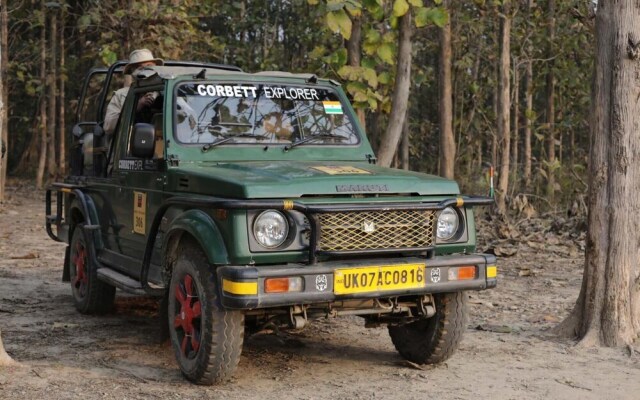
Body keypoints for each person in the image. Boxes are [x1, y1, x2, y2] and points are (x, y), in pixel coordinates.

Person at [103, 49, 164, 135]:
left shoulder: (166, 90)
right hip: (130, 144)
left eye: (149, 66)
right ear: (132, 71)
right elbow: (109, 127)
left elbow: (183, 117)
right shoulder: (121, 95)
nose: (145, 70)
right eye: (140, 68)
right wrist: (136, 106)